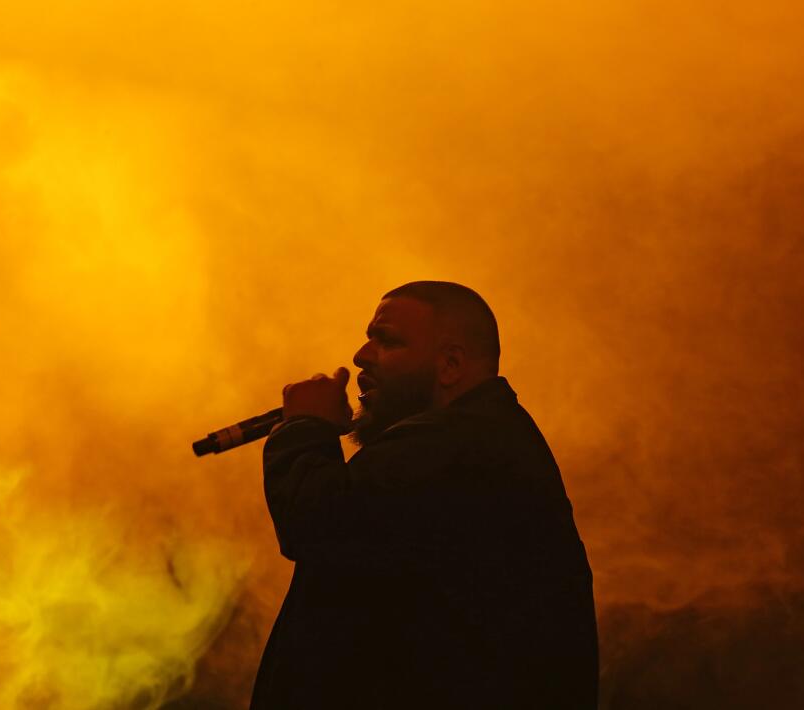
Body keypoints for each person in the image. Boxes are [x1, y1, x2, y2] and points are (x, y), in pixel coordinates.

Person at [250, 281, 598, 710]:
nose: (361, 356)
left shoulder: (462, 444)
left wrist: (306, 428)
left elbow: (317, 521)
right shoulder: (474, 438)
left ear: (450, 364)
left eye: (387, 341)